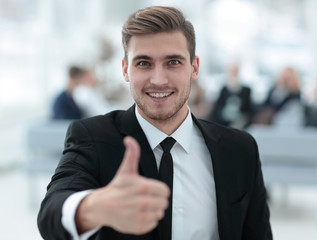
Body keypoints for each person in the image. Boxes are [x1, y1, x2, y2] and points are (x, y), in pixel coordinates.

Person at [38, 6, 272, 240]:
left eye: (173, 62)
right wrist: (94, 208)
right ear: (125, 69)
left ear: (194, 67)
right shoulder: (91, 137)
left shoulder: (240, 149)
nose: (159, 80)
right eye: (143, 63)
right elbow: (52, 213)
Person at [208, 62, 254, 129]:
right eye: (231, 71)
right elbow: (217, 108)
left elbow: (249, 110)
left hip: (239, 121)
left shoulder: (246, 90)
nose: (233, 74)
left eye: (235, 71)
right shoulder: (224, 89)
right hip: (224, 121)